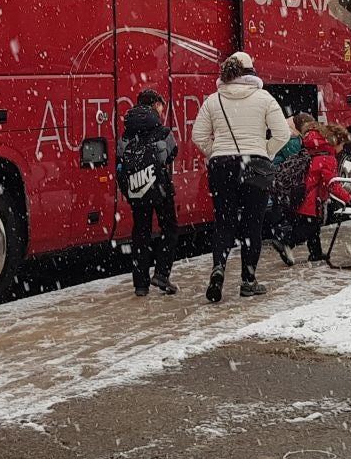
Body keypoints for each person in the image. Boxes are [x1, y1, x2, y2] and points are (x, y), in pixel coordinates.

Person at [190, 51, 292, 302]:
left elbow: (198, 136)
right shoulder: (264, 98)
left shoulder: (213, 100)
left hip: (222, 167)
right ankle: (248, 280)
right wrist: (263, 153)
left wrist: (218, 153)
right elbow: (282, 134)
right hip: (255, 165)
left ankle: (218, 269)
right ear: (251, 72)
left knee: (224, 222)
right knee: (252, 224)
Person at [116, 88, 178, 297]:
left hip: (137, 188)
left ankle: (140, 284)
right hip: (159, 187)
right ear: (154, 105)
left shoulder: (126, 133)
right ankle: (162, 273)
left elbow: (120, 160)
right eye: (160, 105)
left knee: (140, 232)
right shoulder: (163, 131)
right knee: (169, 228)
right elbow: (171, 153)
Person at [293, 123, 351, 261]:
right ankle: (286, 242)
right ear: (336, 141)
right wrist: (349, 199)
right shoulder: (328, 158)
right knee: (309, 228)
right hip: (311, 199)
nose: (342, 148)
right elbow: (332, 184)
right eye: (342, 145)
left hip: (303, 195)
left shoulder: (314, 151)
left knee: (313, 228)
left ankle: (315, 254)